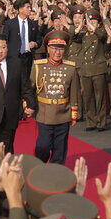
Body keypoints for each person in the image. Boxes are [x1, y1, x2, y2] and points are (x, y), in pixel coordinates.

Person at [31, 30, 79, 164]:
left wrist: (74, 113)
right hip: (44, 113)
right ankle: (40, 168)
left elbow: (74, 92)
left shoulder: (70, 68)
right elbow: (30, 88)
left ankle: (55, 176)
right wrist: (27, 105)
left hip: (63, 114)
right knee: (42, 146)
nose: (57, 53)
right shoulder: (38, 66)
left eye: (61, 49)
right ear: (48, 48)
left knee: (60, 149)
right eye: (54, 49)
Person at [4, 0, 41, 78]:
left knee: (26, 80)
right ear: (20, 10)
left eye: (30, 7)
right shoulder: (9, 24)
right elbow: (5, 41)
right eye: (27, 7)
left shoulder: (33, 24)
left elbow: (39, 40)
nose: (30, 9)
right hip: (14, 57)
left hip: (28, 57)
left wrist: (35, 44)